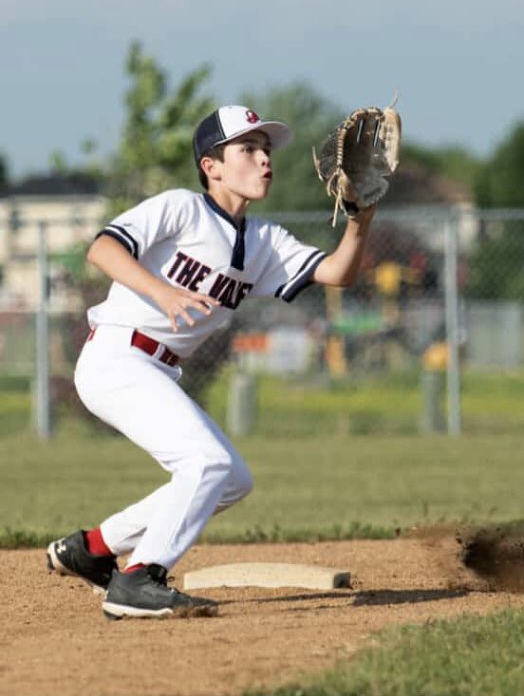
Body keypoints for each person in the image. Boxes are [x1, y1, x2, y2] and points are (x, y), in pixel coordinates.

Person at [46, 105, 378, 620]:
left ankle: (92, 549)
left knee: (231, 480)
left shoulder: (265, 242)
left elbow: (338, 273)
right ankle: (138, 579)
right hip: (115, 356)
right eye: (248, 149)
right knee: (206, 464)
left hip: (155, 369)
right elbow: (103, 249)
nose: (264, 159)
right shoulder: (181, 208)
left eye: (266, 149)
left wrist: (360, 218)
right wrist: (164, 293)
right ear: (212, 166)